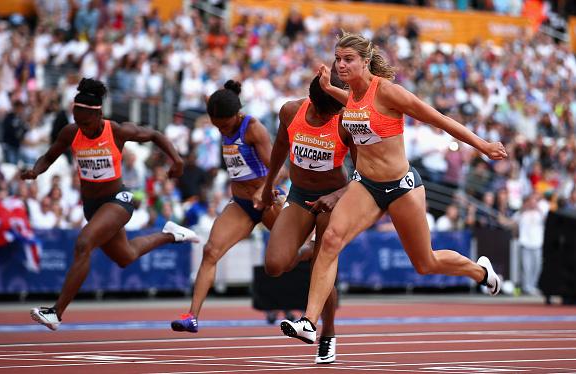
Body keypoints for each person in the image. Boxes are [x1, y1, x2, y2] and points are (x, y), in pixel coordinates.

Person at [280, 32, 508, 344]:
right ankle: (308, 321)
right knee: (330, 239)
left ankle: (480, 272)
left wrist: (483, 145)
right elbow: (355, 106)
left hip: (402, 187)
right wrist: (329, 87)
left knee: (425, 263)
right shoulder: (351, 96)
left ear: (365, 61)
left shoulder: (388, 92)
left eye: (348, 60)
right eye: (338, 59)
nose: (341, 65)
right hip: (366, 187)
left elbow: (438, 119)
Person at [22, 78, 199, 331]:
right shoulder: (71, 133)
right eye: (77, 121)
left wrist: (177, 161)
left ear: (99, 115)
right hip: (92, 206)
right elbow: (49, 156)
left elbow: (155, 135)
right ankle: (171, 235)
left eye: (85, 122)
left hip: (118, 200)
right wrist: (34, 171)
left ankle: (56, 312)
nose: (81, 127)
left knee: (84, 244)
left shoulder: (116, 131)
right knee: (125, 256)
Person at [171, 80, 284, 333]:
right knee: (210, 251)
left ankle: (313, 305)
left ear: (237, 114)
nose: (221, 128)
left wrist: (261, 190)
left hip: (267, 200)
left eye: (224, 124)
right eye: (216, 123)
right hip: (242, 204)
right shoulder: (221, 123)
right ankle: (192, 316)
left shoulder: (253, 128)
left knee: (289, 255)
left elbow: (280, 169)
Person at [260, 73, 356, 364]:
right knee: (275, 265)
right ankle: (309, 252)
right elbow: (278, 148)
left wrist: (337, 196)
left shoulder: (346, 122)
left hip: (332, 200)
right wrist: (267, 187)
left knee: (321, 272)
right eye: (334, 108)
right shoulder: (291, 111)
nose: (339, 111)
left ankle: (328, 334)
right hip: (300, 196)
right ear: (316, 102)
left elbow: (363, 174)